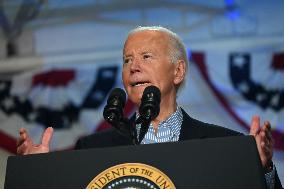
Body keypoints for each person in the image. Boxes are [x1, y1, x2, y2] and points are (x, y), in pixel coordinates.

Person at [17, 26, 283, 188]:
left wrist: (261, 170)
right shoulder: (92, 148)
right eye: (127, 59)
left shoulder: (226, 145)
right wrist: (40, 174)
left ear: (178, 71)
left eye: (146, 56)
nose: (133, 67)